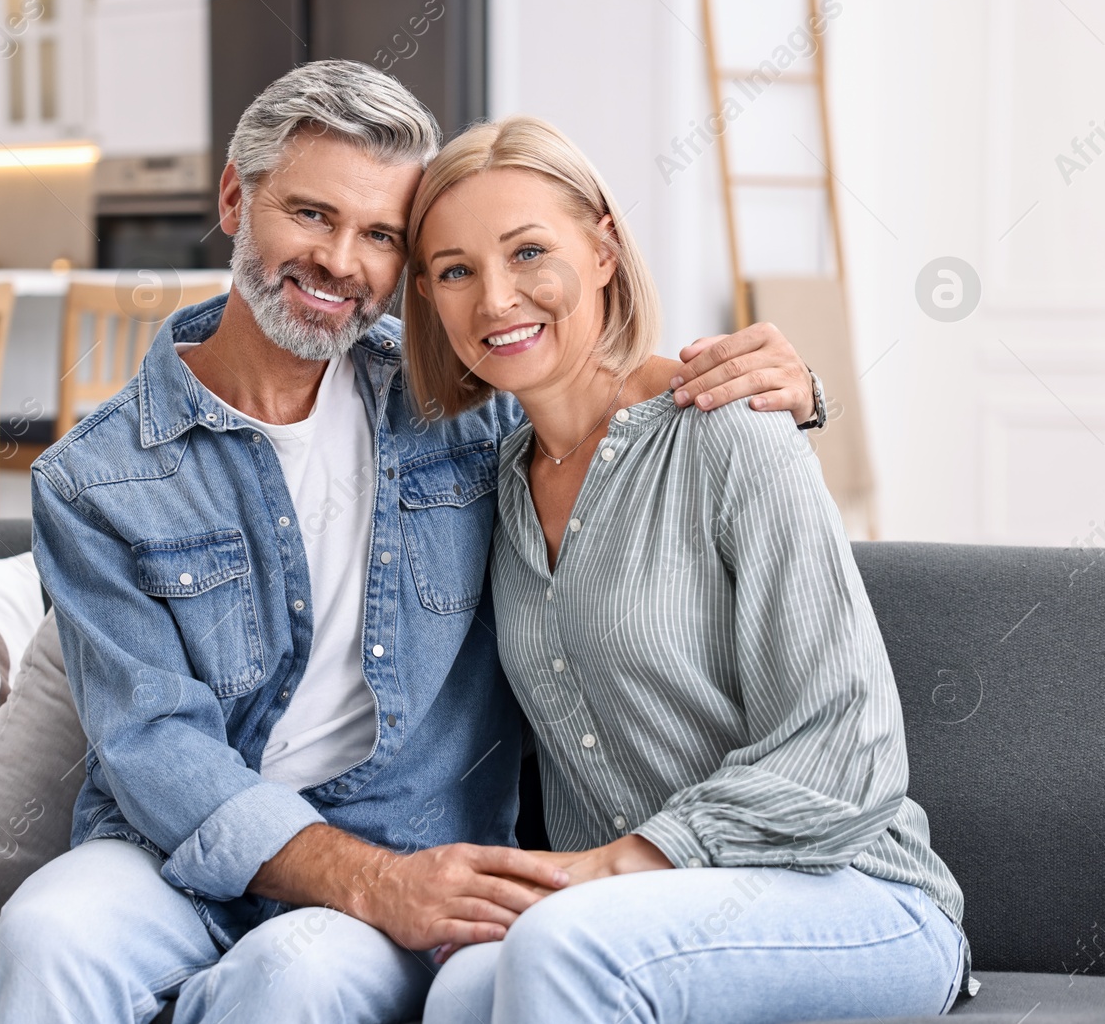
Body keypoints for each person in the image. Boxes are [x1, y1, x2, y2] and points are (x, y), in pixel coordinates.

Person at [0, 62, 821, 1024]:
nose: (342, 261)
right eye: (310, 213)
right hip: (177, 857)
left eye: (380, 234)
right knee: (48, 930)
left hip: (411, 850)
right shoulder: (95, 481)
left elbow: (595, 394)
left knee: (294, 973)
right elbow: (156, 747)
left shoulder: (457, 401)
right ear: (233, 199)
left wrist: (765, 385)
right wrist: (371, 882)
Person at [400, 114, 968, 1024]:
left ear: (604, 252)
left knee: (555, 948)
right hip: (625, 915)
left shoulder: (727, 426)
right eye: (457, 270)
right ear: (427, 296)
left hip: (851, 892)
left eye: (529, 251)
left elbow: (848, 746)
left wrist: (620, 861)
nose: (497, 299)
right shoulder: (497, 482)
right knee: (463, 984)